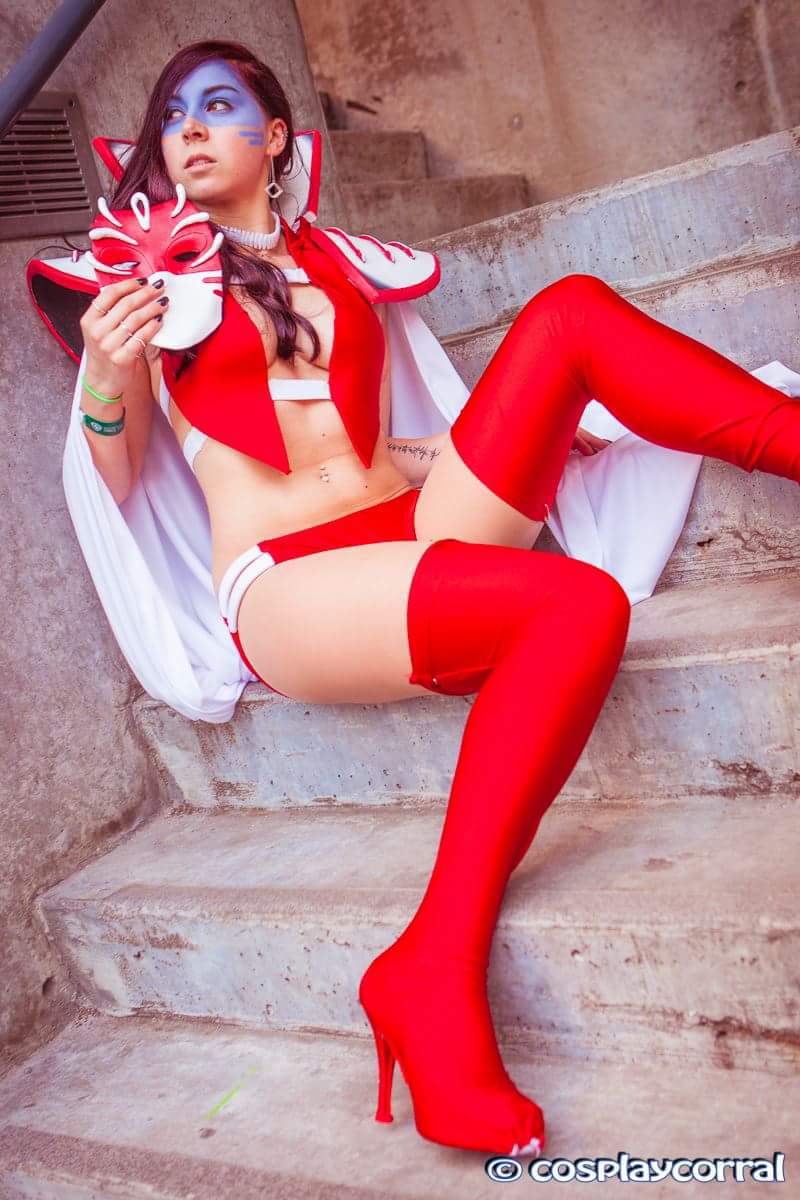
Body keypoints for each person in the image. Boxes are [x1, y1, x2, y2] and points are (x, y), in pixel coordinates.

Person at [42, 38, 800, 1159]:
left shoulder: (342, 265)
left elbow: (374, 440)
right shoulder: (150, 283)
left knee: (570, 314)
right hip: (291, 581)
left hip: (412, 520)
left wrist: (516, 441)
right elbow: (118, 477)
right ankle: (429, 968)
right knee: (574, 606)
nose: (188, 129)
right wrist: (107, 379)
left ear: (276, 137)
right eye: (172, 116)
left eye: (218, 106)